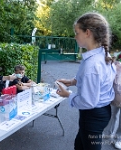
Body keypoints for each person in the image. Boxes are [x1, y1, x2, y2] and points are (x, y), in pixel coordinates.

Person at [56, 12, 116, 150]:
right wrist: (72, 81)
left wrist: (68, 94)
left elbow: (88, 101)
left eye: (77, 32)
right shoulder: (101, 54)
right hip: (100, 113)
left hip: (92, 115)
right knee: (80, 144)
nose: (75, 36)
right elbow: (98, 83)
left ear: (87, 33)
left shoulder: (92, 64)